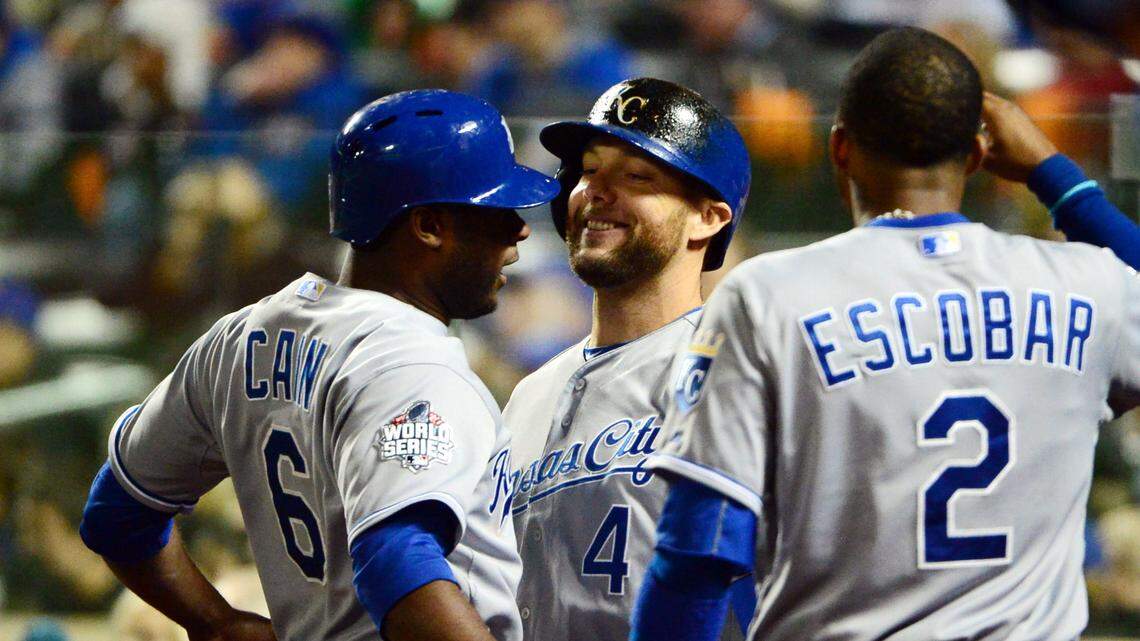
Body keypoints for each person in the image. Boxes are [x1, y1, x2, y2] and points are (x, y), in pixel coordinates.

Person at [631, 27, 1140, 641]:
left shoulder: (770, 293)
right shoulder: (1084, 285)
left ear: (839, 147)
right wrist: (1055, 174)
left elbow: (700, 551)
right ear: (978, 157)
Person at [78, 89, 559, 641]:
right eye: (494, 211)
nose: (519, 230)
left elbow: (116, 512)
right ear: (428, 226)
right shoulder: (414, 361)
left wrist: (213, 621)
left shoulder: (239, 337)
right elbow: (396, 562)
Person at [500, 77, 754, 641]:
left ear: (708, 217)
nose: (596, 192)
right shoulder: (530, 395)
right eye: (589, 171)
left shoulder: (732, 373)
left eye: (638, 176)